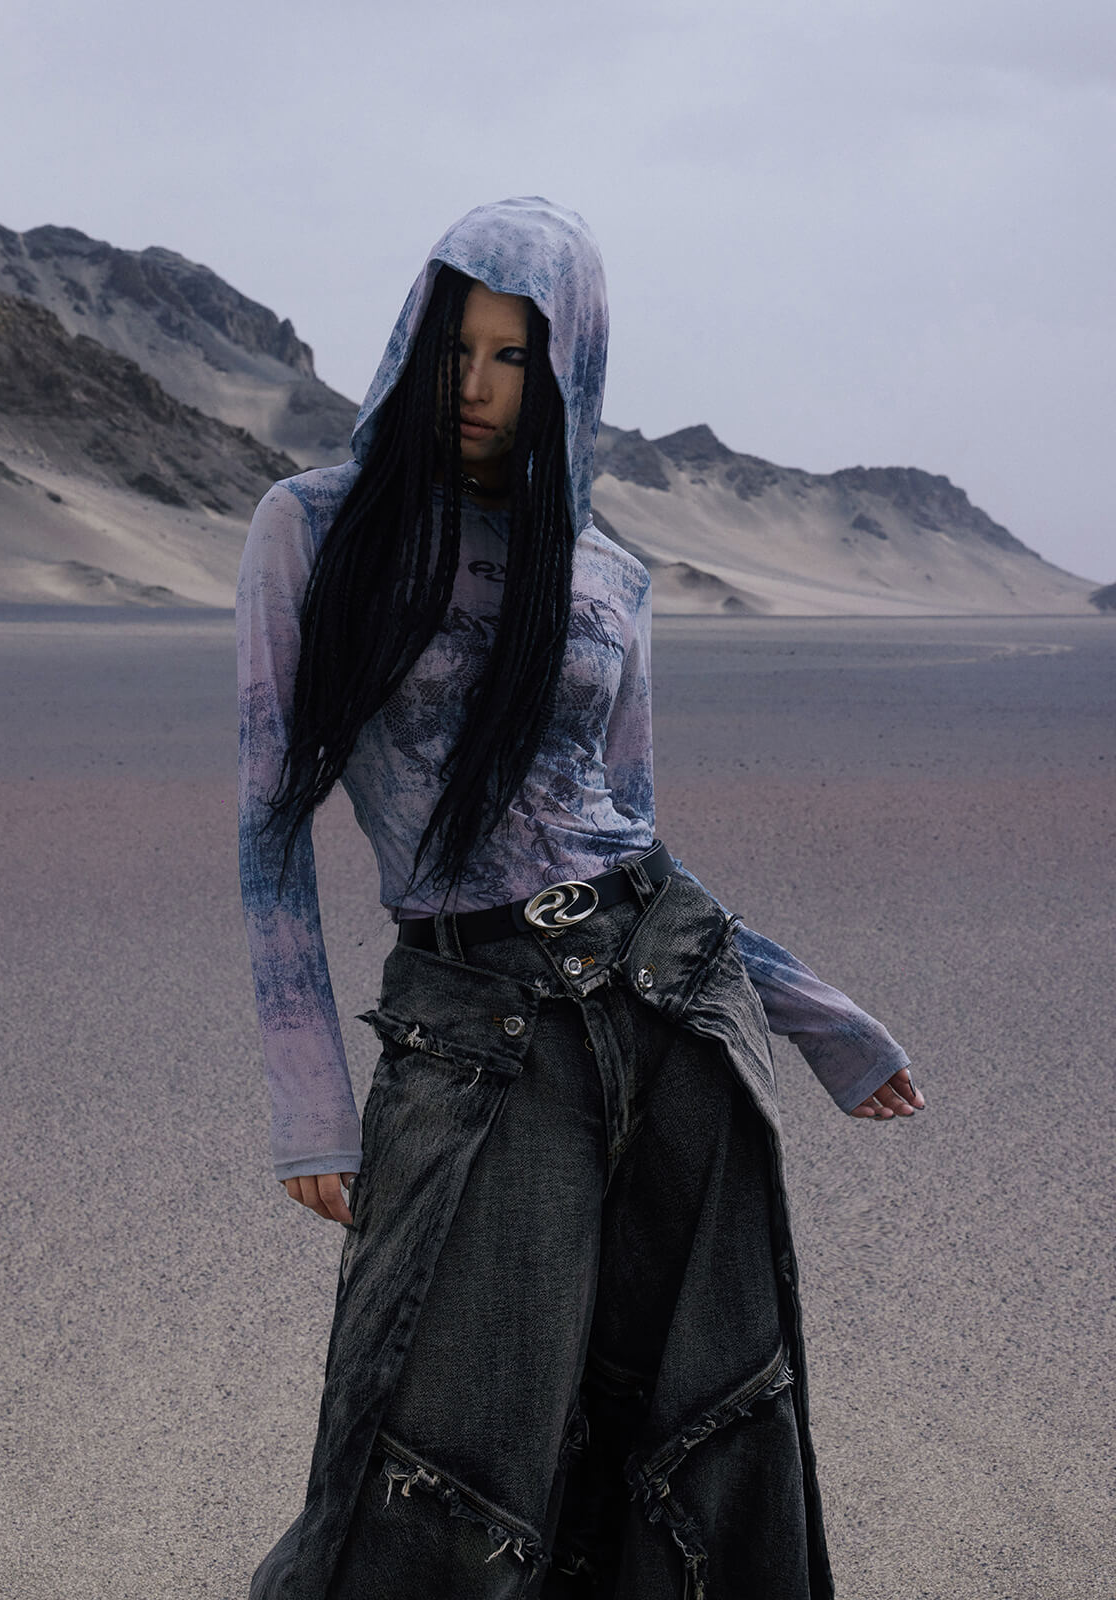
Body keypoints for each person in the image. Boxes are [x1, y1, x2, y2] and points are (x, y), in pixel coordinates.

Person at [237, 196, 923, 1600]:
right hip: (476, 1033)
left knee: (698, 1423)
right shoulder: (314, 527)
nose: (477, 385)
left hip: (673, 1013)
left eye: (515, 359)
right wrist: (309, 1098)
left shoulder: (607, 572)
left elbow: (630, 842)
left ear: (567, 378)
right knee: (436, 1455)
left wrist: (816, 1014)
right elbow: (268, 830)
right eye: (458, 347)